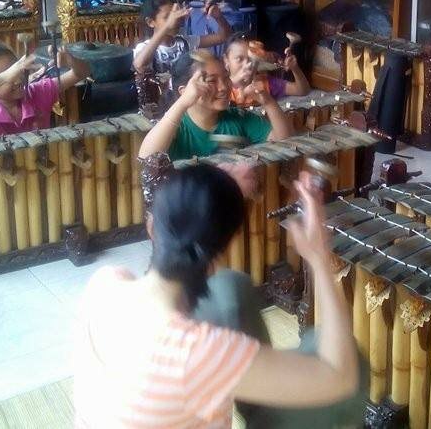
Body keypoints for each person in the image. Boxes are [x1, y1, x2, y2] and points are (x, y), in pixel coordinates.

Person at [73, 163, 361, 428]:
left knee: (228, 287)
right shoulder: (196, 352)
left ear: (152, 228)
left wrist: (218, 190)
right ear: (221, 251)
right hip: (193, 369)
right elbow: (339, 376)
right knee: (349, 359)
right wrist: (319, 256)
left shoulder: (105, 283)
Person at [138, 53, 293, 163]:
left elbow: (284, 143)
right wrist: (183, 102)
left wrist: (268, 102)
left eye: (226, 78)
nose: (224, 87)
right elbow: (147, 157)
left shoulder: (238, 117)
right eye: (211, 81)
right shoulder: (176, 127)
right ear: (184, 91)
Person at [0, 43, 90, 139]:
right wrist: (3, 77)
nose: (17, 80)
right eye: (10, 76)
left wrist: (71, 61)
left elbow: (80, 73)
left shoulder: (37, 91)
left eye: (18, 71)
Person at [133, 0, 232, 79]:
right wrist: (167, 26)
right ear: (150, 22)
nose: (174, 20)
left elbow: (223, 36)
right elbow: (139, 65)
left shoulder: (185, 42)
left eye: (174, 15)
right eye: (167, 17)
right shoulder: (144, 48)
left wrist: (218, 18)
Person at [225, 36, 310, 107]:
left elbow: (302, 90)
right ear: (226, 61)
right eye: (239, 59)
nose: (247, 64)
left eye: (252, 59)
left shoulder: (266, 83)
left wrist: (295, 68)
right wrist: (239, 85)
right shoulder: (219, 87)